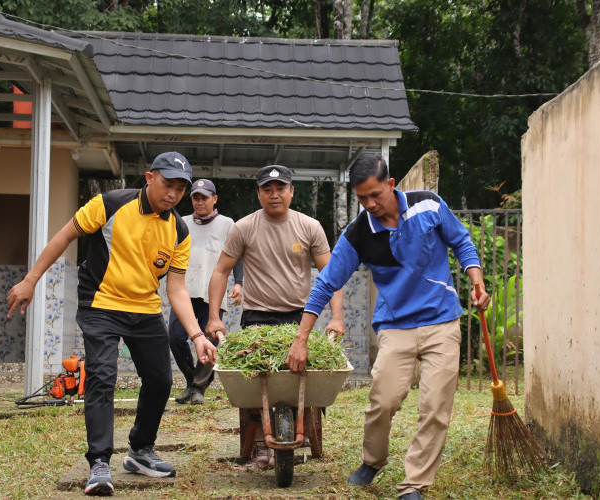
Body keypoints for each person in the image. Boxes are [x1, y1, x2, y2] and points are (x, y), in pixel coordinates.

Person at [7, 151, 216, 496]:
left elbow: (176, 288)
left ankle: (140, 451)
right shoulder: (110, 204)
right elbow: (64, 236)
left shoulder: (178, 229)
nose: (173, 194)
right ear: (150, 178)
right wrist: (31, 279)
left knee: (161, 380)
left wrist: (196, 335)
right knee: (102, 376)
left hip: (145, 308)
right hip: (101, 303)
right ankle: (100, 463)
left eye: (181, 189)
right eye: (168, 184)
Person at [286, 154, 490, 500]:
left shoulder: (428, 205)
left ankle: (413, 484)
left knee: (436, 406)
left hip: (442, 321)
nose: (369, 204)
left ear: (391, 184)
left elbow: (462, 241)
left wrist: (476, 278)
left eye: (375, 195)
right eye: (361, 198)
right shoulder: (359, 233)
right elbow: (325, 285)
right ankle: (372, 460)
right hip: (395, 326)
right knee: (384, 400)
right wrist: (301, 338)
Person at [205, 164, 346, 468]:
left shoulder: (309, 227)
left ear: (291, 191)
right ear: (258, 194)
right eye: (267, 190)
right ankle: (258, 445)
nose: (274, 195)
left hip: (299, 319)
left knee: (302, 378)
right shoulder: (244, 227)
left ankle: (303, 433)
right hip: (256, 319)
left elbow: (331, 274)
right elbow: (221, 271)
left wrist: (337, 317)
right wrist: (214, 316)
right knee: (255, 382)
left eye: (280, 188)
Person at [169, 178, 243, 405]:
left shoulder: (227, 223)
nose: (199, 202)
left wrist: (238, 281)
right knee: (175, 337)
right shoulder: (181, 222)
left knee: (210, 339)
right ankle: (192, 381)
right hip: (184, 291)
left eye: (204, 197)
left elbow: (236, 254)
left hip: (212, 294)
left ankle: (198, 388)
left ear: (214, 199)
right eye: (195, 197)